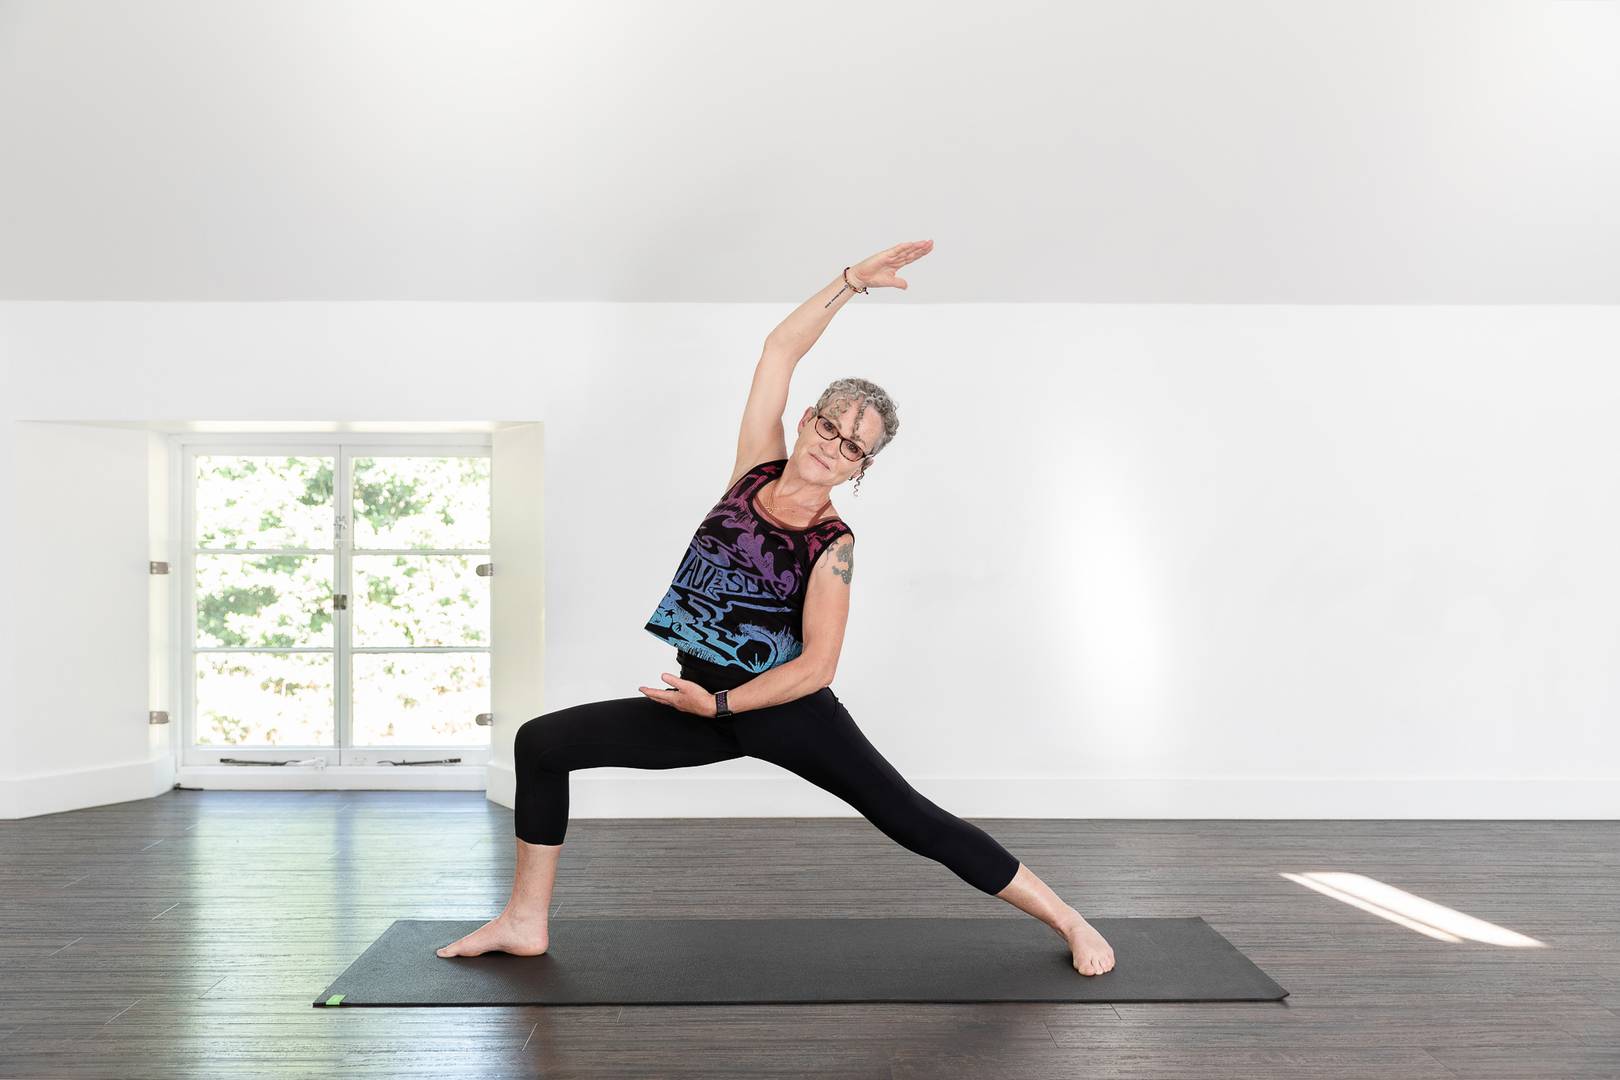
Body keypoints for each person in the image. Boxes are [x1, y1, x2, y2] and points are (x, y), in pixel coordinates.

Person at [438, 241, 1116, 978]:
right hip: (701, 697)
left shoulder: (833, 544)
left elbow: (818, 667)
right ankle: (524, 922)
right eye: (830, 426)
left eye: (854, 447)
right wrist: (852, 282)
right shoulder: (750, 471)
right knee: (541, 744)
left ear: (862, 468)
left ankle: (1069, 918)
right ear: (805, 422)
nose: (835, 447)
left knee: (912, 820)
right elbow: (778, 350)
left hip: (784, 708)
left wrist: (720, 705)